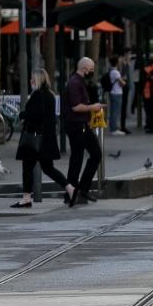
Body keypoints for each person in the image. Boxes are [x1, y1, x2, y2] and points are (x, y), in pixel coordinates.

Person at [11, 69, 76, 208]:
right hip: (46, 139)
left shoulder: (37, 95)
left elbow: (37, 115)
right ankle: (70, 189)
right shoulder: (50, 95)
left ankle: (26, 198)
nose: (30, 82)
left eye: (33, 79)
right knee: (48, 168)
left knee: (27, 167)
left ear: (38, 80)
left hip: (35, 138)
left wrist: (23, 115)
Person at [64, 57, 105, 206]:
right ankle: (77, 190)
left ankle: (75, 191)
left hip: (79, 124)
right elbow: (76, 106)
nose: (92, 72)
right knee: (89, 155)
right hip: (77, 125)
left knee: (80, 156)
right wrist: (92, 107)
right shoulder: (75, 83)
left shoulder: (78, 82)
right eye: (92, 69)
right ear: (85, 69)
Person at [106, 56, 127, 136]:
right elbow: (122, 83)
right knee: (115, 111)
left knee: (113, 111)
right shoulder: (115, 72)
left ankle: (113, 127)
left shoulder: (112, 71)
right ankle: (114, 128)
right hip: (116, 93)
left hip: (113, 93)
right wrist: (124, 81)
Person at [117, 48, 134, 134]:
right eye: (129, 54)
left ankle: (123, 125)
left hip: (126, 85)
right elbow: (120, 74)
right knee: (121, 106)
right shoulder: (121, 62)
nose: (130, 56)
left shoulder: (128, 63)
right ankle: (121, 126)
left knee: (124, 106)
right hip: (121, 86)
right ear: (125, 54)